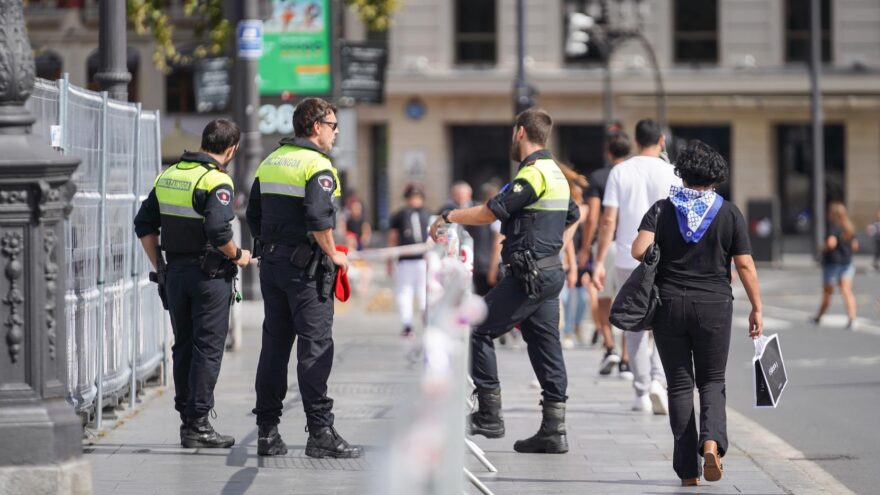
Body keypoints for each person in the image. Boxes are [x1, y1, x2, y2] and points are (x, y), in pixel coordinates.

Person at [429, 108, 581, 454]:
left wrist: (447, 216)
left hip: (529, 276)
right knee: (546, 348)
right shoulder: (555, 174)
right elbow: (575, 215)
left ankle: (489, 415)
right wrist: (556, 249)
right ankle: (553, 431)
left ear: (520, 132)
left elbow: (489, 212)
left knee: (475, 327)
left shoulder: (533, 174)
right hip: (546, 273)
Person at [631, 140, 763, 486]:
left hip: (669, 305)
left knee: (678, 383)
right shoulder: (729, 212)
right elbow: (745, 265)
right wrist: (757, 307)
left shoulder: (662, 209)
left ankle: (688, 472)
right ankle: (711, 444)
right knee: (712, 380)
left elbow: (638, 249)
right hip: (714, 306)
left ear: (683, 173)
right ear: (717, 176)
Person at [246, 97, 362, 459]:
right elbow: (318, 217)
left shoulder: (270, 161)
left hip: (274, 267)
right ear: (315, 127)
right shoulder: (318, 166)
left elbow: (253, 215)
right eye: (332, 125)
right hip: (307, 271)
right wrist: (334, 254)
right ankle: (321, 432)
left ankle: (267, 431)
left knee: (275, 348)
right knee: (315, 349)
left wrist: (273, 244)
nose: (336, 132)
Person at [134, 119, 250, 448]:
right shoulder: (216, 181)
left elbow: (143, 223)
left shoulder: (169, 175)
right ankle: (199, 423)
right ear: (231, 149)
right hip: (209, 277)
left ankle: (187, 420)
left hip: (175, 275)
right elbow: (218, 231)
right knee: (208, 349)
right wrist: (238, 254)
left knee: (183, 345)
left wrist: (160, 265)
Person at [593, 119, 681, 415]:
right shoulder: (672, 173)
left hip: (627, 256)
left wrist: (598, 260)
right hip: (665, 257)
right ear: (662, 141)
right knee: (664, 322)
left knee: (634, 322)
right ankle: (658, 380)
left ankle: (641, 391)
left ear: (635, 140)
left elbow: (608, 220)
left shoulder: (621, 171)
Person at [582, 131, 632, 376]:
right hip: (632, 244)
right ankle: (625, 358)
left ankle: (609, 346)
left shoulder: (599, 177)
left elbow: (593, 217)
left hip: (606, 243)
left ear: (608, 152)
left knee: (604, 298)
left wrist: (586, 249)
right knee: (628, 301)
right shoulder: (633, 175)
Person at [388, 182, 431, 337]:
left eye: (417, 197)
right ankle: (407, 324)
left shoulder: (427, 213)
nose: (415, 200)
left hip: (423, 259)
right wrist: (390, 260)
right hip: (405, 259)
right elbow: (393, 238)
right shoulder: (400, 214)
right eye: (412, 197)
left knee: (424, 291)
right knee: (404, 291)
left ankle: (427, 320)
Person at [812, 201, 859, 329]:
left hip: (832, 264)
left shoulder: (833, 228)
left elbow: (831, 243)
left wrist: (822, 249)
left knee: (827, 293)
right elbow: (855, 246)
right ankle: (852, 318)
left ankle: (818, 317)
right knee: (847, 291)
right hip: (847, 263)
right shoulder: (849, 227)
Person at [559, 165, 590, 349]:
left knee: (580, 297)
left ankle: (573, 327)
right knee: (564, 298)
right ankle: (566, 331)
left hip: (582, 256)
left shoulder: (583, 210)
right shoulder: (567, 208)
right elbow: (567, 238)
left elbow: (571, 238)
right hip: (566, 256)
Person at [470, 182, 504, 297]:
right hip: (489, 266)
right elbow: (497, 244)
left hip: (479, 265)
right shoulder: (496, 214)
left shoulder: (476, 213)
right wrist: (493, 268)